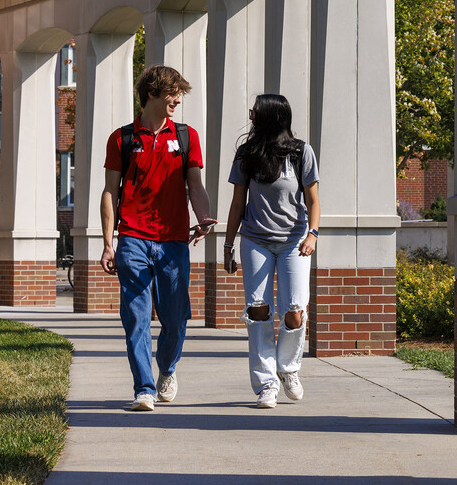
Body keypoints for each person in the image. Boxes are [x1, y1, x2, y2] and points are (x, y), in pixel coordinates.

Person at [100, 65, 217, 412]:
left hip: (173, 241)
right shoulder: (121, 138)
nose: (177, 99)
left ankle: (167, 368)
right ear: (151, 93)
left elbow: (194, 185)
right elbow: (110, 192)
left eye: (179, 92)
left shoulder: (186, 136)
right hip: (133, 237)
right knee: (136, 317)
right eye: (172, 92)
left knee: (175, 317)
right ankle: (144, 389)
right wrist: (109, 242)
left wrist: (204, 216)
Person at [224, 94, 319, 409]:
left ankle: (288, 368)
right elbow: (238, 204)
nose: (251, 116)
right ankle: (266, 384)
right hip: (255, 240)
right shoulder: (246, 154)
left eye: (255, 112)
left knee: (294, 310)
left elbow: (313, 201)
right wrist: (227, 245)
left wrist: (313, 234)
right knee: (258, 309)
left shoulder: (301, 152)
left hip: (294, 241)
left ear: (274, 118)